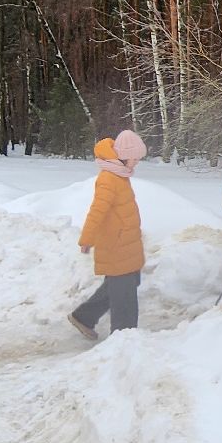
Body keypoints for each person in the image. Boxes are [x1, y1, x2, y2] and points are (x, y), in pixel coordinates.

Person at [69, 130, 148, 341]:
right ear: (125, 155)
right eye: (136, 159)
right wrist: (87, 239)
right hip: (116, 245)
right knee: (124, 294)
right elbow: (97, 211)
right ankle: (124, 337)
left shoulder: (119, 175)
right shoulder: (109, 179)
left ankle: (84, 317)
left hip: (125, 243)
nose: (137, 163)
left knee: (125, 283)